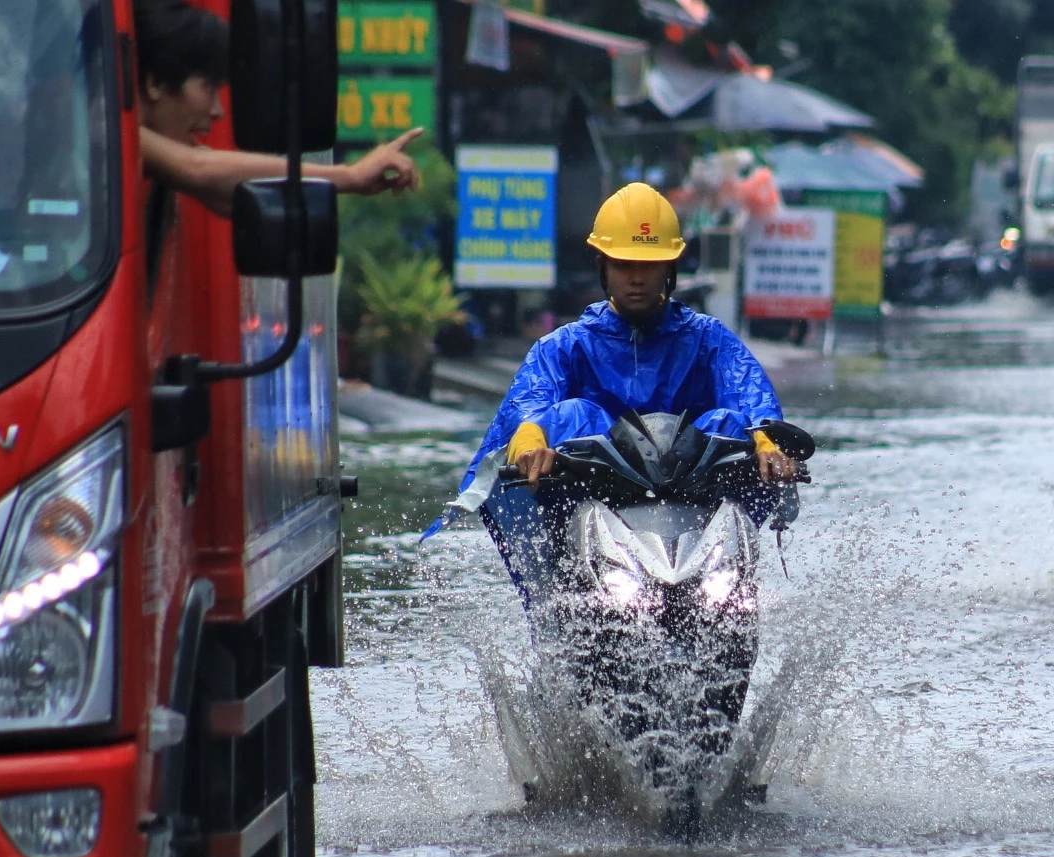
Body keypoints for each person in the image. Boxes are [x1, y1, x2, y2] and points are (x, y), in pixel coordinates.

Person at [452, 183, 793, 519]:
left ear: (669, 269)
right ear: (603, 267)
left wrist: (766, 441)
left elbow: (751, 398)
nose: (636, 278)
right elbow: (528, 405)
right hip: (590, 505)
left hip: (698, 507)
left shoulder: (710, 339)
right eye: (624, 264)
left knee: (729, 422)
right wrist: (528, 441)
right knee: (572, 413)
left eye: (648, 265)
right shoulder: (565, 345)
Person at [133, 0, 421, 217]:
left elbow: (229, 193)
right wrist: (349, 176)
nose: (218, 111)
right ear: (155, 82)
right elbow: (198, 169)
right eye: (208, 88)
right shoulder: (115, 134)